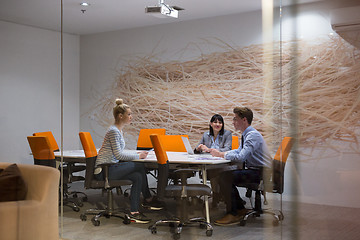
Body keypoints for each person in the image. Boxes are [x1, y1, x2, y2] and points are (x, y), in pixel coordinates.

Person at [94, 98, 162, 224]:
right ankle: (147, 199)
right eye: (129, 114)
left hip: (111, 167)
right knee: (139, 166)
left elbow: (120, 152)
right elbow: (119, 154)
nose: (131, 117)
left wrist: (137, 154)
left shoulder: (118, 130)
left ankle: (134, 212)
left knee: (137, 176)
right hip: (104, 170)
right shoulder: (113, 131)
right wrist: (138, 156)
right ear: (120, 116)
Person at [209, 107, 273, 226]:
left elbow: (241, 157)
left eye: (235, 119)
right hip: (257, 170)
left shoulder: (252, 135)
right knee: (225, 175)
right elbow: (239, 151)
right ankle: (239, 208)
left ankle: (233, 213)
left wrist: (223, 154)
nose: (233, 122)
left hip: (261, 172)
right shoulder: (247, 134)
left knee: (225, 177)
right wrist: (222, 154)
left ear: (244, 120)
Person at [194, 114, 233, 207]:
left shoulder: (227, 134)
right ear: (211, 124)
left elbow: (228, 149)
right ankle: (217, 194)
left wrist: (213, 151)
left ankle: (216, 194)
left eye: (220, 122)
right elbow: (196, 149)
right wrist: (199, 148)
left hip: (221, 163)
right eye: (215, 122)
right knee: (212, 171)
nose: (217, 124)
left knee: (214, 172)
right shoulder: (206, 135)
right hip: (208, 163)